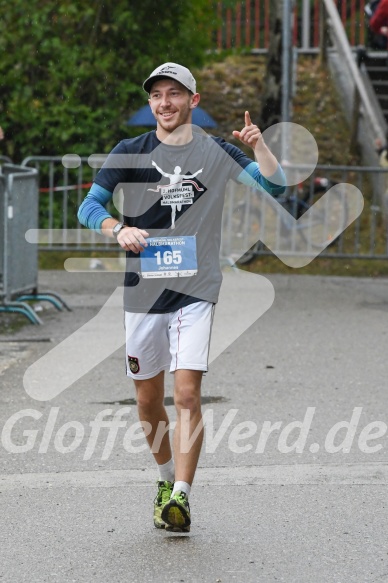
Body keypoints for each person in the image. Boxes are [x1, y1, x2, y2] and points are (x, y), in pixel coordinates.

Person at [78, 62, 285, 532]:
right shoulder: (130, 151)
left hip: (195, 289)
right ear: (150, 102)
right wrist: (118, 228)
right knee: (148, 401)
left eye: (175, 94)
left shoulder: (216, 153)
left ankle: (182, 499)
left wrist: (260, 146)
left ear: (194, 100)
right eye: (157, 95)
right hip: (143, 294)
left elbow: (274, 185)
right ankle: (165, 479)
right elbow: (88, 206)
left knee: (187, 395)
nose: (165, 103)